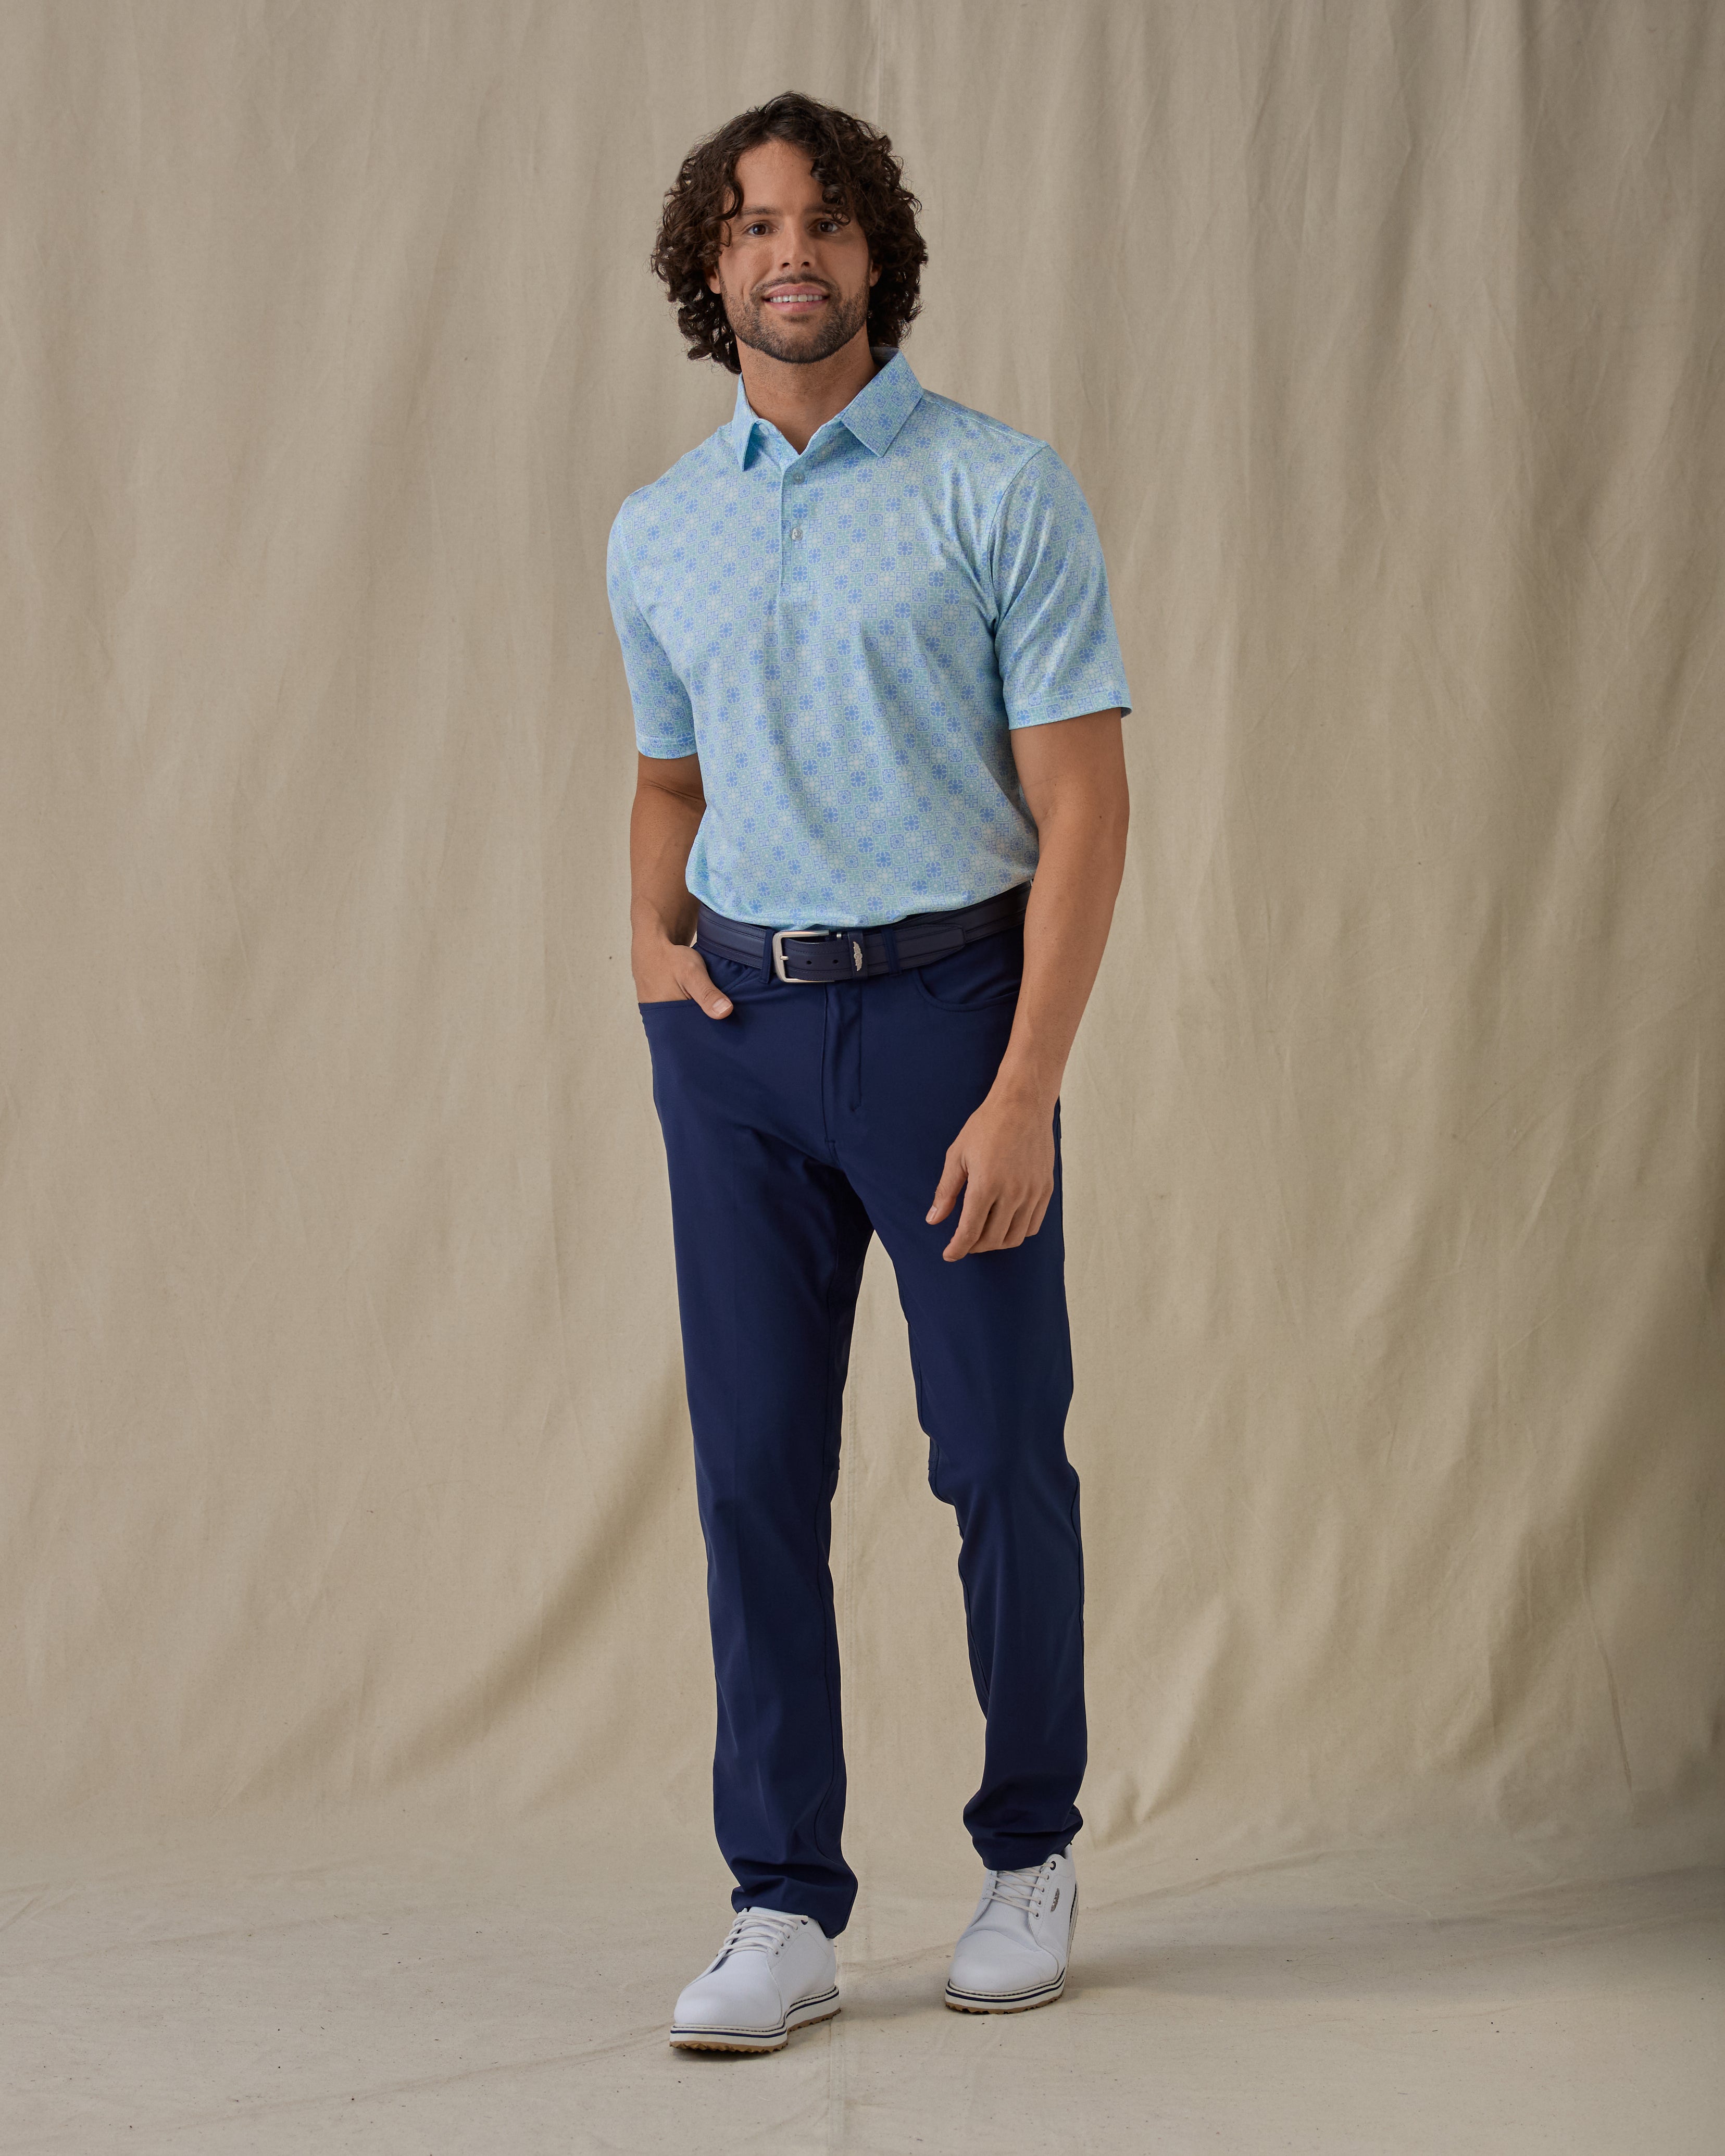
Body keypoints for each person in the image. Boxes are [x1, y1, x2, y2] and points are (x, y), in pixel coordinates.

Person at [606, 90, 1131, 2053]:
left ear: (873, 251)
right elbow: (669, 777)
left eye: (822, 219)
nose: (788, 251)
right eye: (753, 225)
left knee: (998, 1453)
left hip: (947, 1020)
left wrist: (1023, 1085)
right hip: (735, 1041)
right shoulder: (660, 527)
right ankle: (782, 1901)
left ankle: (1030, 1852)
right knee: (755, 1466)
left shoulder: (1000, 489)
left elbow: (1086, 811)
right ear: (712, 263)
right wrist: (647, 939)